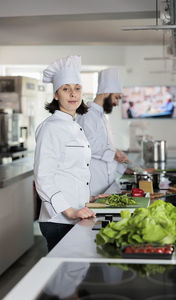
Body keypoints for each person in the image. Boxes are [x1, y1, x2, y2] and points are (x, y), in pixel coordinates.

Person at [34, 56, 95, 252]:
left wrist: (89, 198)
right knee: (64, 278)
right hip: (60, 219)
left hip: (76, 214)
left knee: (73, 276)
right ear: (56, 94)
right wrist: (69, 211)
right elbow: (43, 177)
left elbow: (71, 171)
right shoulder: (51, 128)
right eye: (66, 89)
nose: (73, 94)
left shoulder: (73, 125)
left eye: (77, 88)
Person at [76, 68, 133, 196]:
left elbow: (104, 150)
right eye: (116, 98)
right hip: (94, 184)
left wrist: (124, 168)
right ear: (106, 92)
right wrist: (114, 153)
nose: (117, 103)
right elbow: (87, 146)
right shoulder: (87, 115)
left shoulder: (102, 117)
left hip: (105, 184)